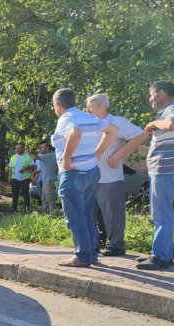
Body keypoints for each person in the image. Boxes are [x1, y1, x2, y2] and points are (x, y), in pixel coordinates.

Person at [108, 80, 174, 270]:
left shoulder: (172, 109)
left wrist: (153, 123)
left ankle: (160, 257)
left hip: (165, 169)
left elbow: (172, 124)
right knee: (161, 213)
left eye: (151, 94)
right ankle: (163, 253)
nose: (150, 98)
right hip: (163, 169)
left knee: (162, 213)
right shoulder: (169, 109)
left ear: (161, 93)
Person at [51, 88, 117, 268]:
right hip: (91, 171)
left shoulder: (66, 119)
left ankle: (82, 256)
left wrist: (66, 159)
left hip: (73, 174)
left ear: (58, 105)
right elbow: (112, 130)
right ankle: (92, 253)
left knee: (75, 216)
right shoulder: (89, 117)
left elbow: (75, 133)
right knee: (87, 214)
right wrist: (99, 152)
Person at [85, 93, 149, 257]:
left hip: (109, 175)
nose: (87, 109)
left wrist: (119, 154)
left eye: (90, 106)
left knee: (112, 213)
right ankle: (93, 243)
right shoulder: (89, 123)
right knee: (89, 213)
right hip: (89, 176)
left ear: (102, 106)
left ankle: (116, 245)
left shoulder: (117, 121)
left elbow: (141, 135)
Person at [8, 143, 37, 212]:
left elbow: (34, 166)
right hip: (15, 178)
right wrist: (9, 177)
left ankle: (27, 209)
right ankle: (14, 208)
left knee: (25, 194)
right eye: (17, 148)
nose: (18, 149)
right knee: (14, 194)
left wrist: (26, 168)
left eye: (19, 148)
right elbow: (10, 168)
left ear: (23, 148)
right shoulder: (13, 157)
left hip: (25, 178)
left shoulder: (28, 156)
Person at [32, 140, 59, 213]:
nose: (40, 149)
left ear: (47, 148)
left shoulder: (49, 155)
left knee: (50, 198)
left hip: (48, 180)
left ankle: (53, 213)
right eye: (40, 148)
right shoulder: (46, 156)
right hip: (45, 180)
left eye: (42, 147)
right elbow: (46, 167)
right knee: (43, 198)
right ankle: (45, 213)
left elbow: (35, 157)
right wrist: (38, 171)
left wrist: (28, 151)